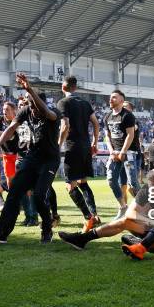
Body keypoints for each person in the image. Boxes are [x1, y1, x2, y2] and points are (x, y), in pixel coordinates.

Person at [0, 73, 60, 244]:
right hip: (31, 158)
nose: (28, 105)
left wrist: (30, 89)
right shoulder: (26, 111)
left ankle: (47, 228)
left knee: (39, 196)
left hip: (49, 159)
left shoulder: (53, 112)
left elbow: (47, 112)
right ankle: (2, 233)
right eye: (27, 101)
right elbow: (11, 128)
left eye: (31, 101)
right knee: (14, 192)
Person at [57, 76, 101, 232]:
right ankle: (94, 215)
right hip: (85, 146)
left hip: (72, 147)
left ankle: (88, 218)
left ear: (64, 87)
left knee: (70, 185)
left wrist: (58, 145)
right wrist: (95, 142)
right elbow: (96, 122)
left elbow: (65, 125)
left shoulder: (63, 103)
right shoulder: (85, 103)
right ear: (75, 88)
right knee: (83, 182)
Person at [104, 90, 140, 220]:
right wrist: (111, 151)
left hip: (128, 152)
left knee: (133, 184)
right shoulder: (107, 116)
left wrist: (123, 151)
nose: (111, 99)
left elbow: (130, 134)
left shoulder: (127, 116)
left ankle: (146, 208)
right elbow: (107, 136)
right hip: (114, 152)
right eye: (110, 97)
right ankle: (123, 207)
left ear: (121, 100)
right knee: (111, 180)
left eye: (114, 97)